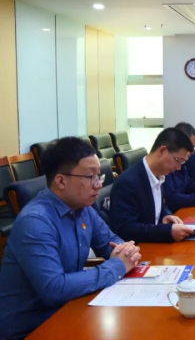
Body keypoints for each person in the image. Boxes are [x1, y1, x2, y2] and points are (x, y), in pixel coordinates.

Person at [0, 137, 141, 339]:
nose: (98, 185)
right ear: (61, 181)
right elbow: (54, 288)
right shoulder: (35, 222)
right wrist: (116, 266)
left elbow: (109, 241)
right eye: (90, 177)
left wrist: (125, 250)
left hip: (69, 310)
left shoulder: (83, 208)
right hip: (32, 327)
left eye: (99, 176)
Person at [109, 128, 195, 243]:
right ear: (162, 151)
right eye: (178, 160)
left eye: (182, 162)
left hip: (154, 244)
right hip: (138, 249)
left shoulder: (159, 175)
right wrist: (167, 231)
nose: (179, 167)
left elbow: (158, 207)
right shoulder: (127, 183)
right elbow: (126, 229)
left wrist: (166, 216)